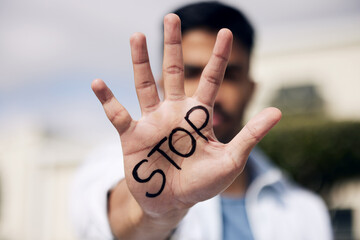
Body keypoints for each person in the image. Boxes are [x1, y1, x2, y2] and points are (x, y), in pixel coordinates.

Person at [70, 2, 333, 239]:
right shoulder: (111, 166)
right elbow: (113, 221)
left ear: (251, 89)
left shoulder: (305, 210)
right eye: (192, 72)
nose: (211, 93)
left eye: (229, 75)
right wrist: (153, 214)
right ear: (164, 84)